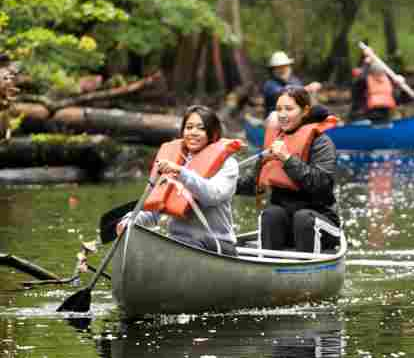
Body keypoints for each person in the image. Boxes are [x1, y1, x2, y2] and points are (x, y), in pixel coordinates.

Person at [116, 105, 241, 255]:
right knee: (139, 236)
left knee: (178, 244)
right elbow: (154, 209)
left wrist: (181, 172)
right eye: (189, 127)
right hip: (179, 241)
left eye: (200, 128)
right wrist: (130, 221)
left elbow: (212, 196)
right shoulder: (172, 160)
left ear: (212, 133)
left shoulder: (228, 164)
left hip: (217, 244)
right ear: (183, 131)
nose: (193, 133)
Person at [254, 86, 341, 253]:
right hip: (287, 224)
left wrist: (287, 159)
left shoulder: (322, 143)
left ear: (305, 110)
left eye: (289, 109)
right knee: (271, 215)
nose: (282, 114)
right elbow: (253, 182)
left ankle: (307, 273)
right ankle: (270, 271)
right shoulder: (276, 139)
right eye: (278, 109)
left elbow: (320, 185)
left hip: (318, 222)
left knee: (303, 218)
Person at [262, 51, 322, 117]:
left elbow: (304, 98)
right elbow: (283, 93)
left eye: (284, 66)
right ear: (273, 70)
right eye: (278, 67)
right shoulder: (270, 85)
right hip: (276, 121)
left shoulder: (295, 81)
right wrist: (307, 88)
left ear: (289, 67)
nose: (282, 70)